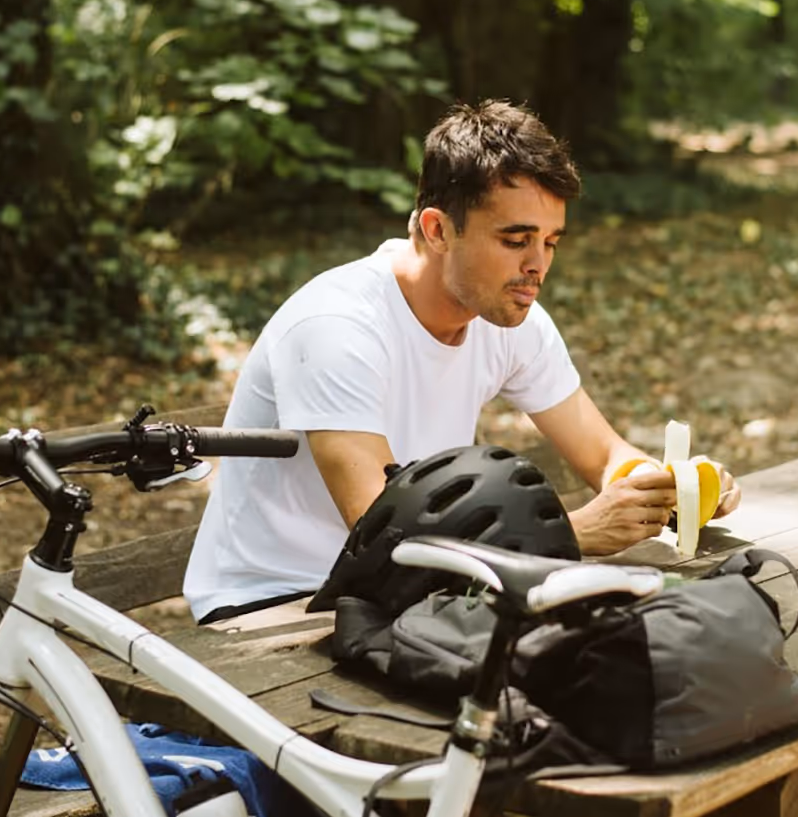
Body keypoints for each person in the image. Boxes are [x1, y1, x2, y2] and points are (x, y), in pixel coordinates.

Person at [182, 100, 739, 625]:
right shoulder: (336, 328)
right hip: (275, 605)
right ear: (437, 230)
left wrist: (666, 488)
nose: (537, 265)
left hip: (413, 595)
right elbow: (383, 539)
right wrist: (571, 535)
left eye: (550, 242)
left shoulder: (506, 315)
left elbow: (603, 453)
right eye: (515, 239)